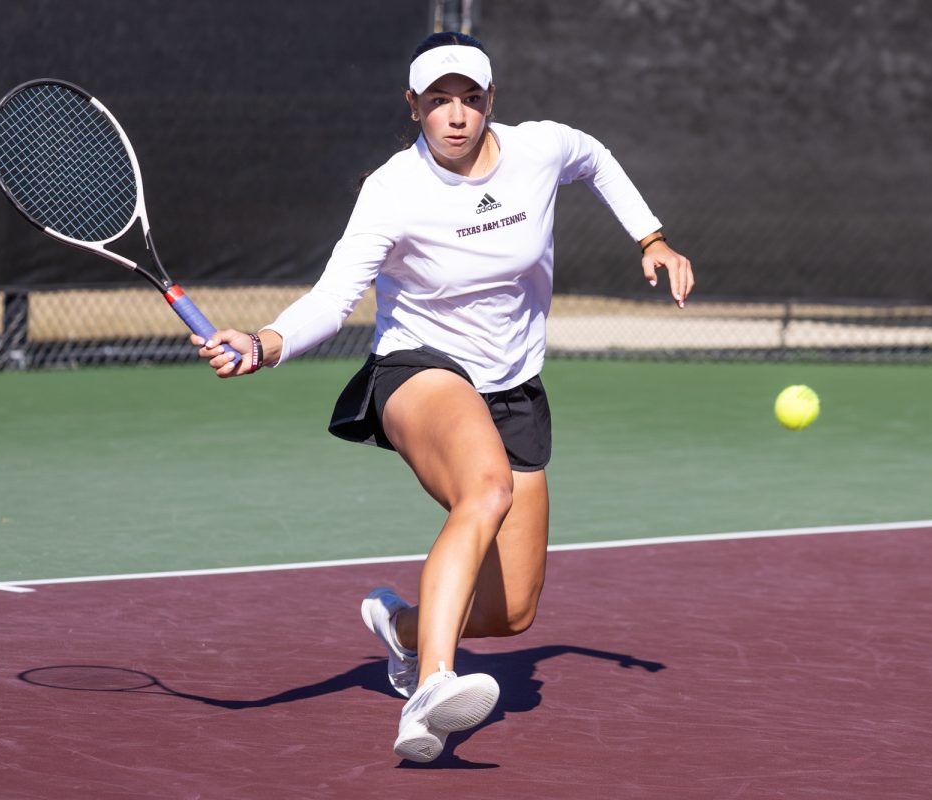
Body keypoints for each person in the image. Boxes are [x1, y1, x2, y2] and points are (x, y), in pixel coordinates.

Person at [193, 30, 694, 763]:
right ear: (413, 107)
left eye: (469, 99)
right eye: (437, 101)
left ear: (492, 102)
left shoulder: (539, 150)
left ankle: (399, 631)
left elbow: (597, 160)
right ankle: (431, 683)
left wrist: (651, 237)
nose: (455, 116)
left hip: (513, 388)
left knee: (512, 612)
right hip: (419, 371)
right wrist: (266, 343)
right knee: (485, 490)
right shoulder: (393, 190)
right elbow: (335, 300)